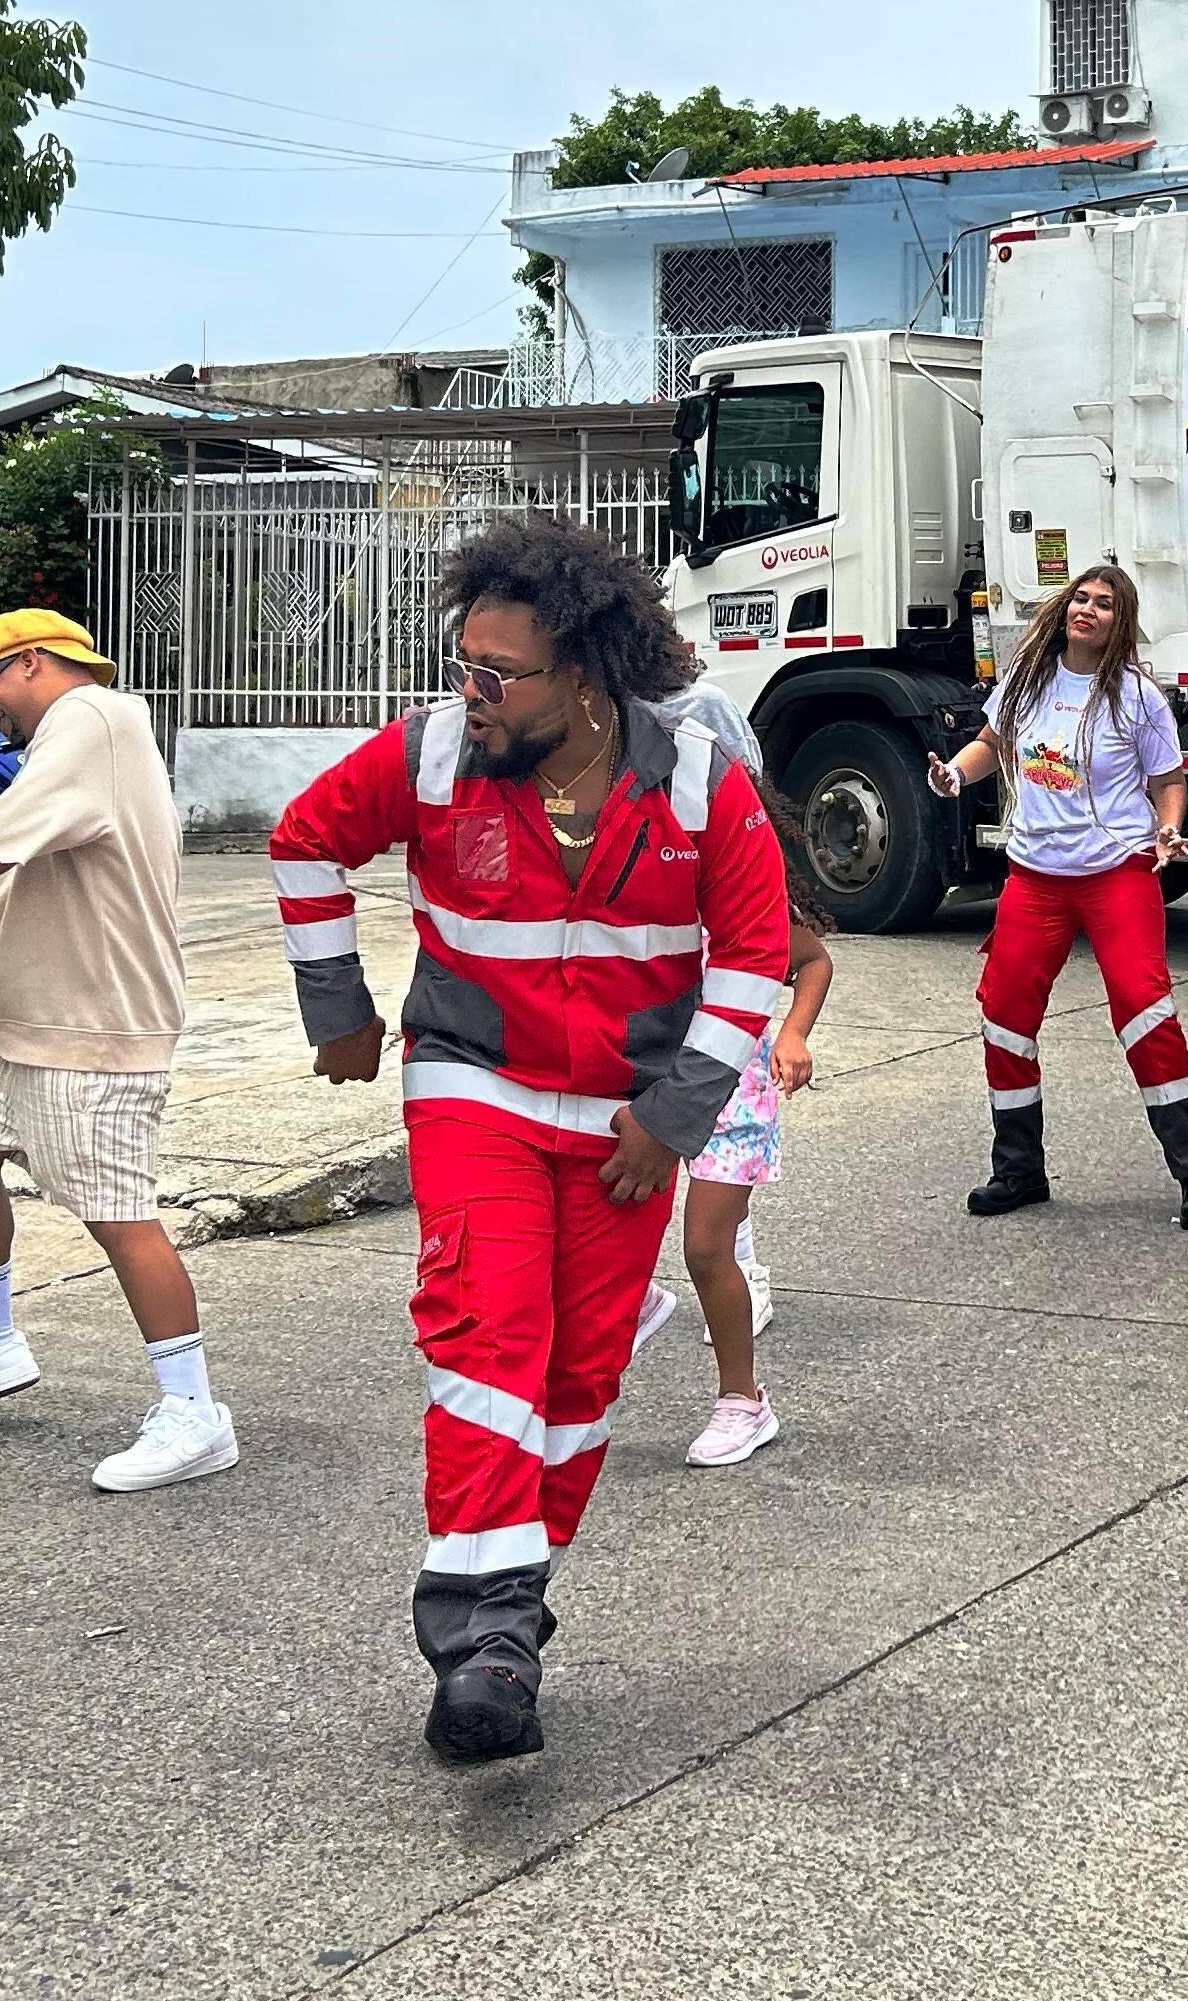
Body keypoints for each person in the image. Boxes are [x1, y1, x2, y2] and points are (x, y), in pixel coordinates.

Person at [267, 516, 793, 1763]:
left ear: (588, 679)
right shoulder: (437, 754)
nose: (473, 691)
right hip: (474, 1090)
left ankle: (508, 1607)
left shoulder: (700, 781)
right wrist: (337, 1006)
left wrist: (672, 1122)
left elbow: (757, 958)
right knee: (485, 1335)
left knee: (581, 1376)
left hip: (626, 1129)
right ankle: (481, 1635)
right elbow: (304, 843)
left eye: (500, 673)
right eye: (464, 662)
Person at [0, 609, 225, 1492]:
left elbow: (2, 835)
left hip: (91, 1025)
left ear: (32, 662)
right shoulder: (96, 732)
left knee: (118, 1214)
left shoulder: (93, 718)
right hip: (34, 1024)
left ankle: (194, 1413)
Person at [932, 561, 1188, 1230]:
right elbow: (989, 743)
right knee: (1003, 1014)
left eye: (1104, 604)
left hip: (1115, 872)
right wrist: (952, 774)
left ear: (1121, 624)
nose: (1087, 610)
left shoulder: (1137, 697)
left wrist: (1170, 826)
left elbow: (1170, 781)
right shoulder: (1029, 678)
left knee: (1144, 1012)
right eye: (1080, 599)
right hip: (1034, 877)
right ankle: (1019, 1170)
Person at [675, 899, 834, 1467]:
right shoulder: (634, 890)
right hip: (645, 1077)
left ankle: (743, 1403)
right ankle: (633, 1307)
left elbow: (814, 959)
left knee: (705, 1247)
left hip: (733, 1086)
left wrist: (793, 1035)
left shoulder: (739, 904)